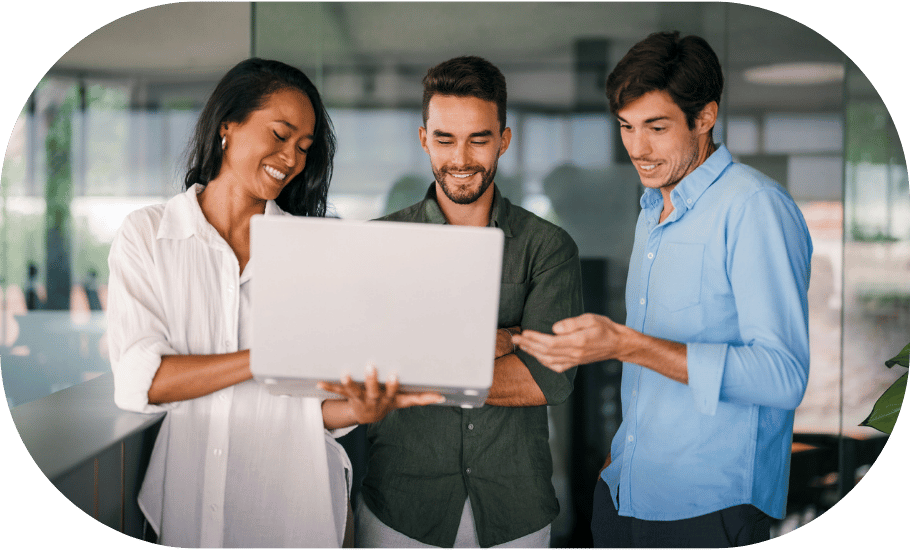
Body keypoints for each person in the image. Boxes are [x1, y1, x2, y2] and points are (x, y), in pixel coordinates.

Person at [107, 57, 441, 549]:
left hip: (296, 510)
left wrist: (359, 410)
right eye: (280, 135)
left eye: (304, 147)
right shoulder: (149, 235)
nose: (292, 157)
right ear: (228, 124)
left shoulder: (317, 249)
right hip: (189, 507)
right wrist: (264, 357)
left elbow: (310, 409)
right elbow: (143, 380)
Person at [513, 32, 813, 548]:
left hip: (709, 507)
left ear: (705, 117)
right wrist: (622, 454)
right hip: (626, 492)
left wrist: (627, 345)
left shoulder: (753, 207)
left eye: (656, 127)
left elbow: (782, 376)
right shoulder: (653, 210)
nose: (637, 148)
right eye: (626, 127)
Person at [342, 55, 583, 550]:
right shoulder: (378, 244)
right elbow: (362, 362)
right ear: (424, 138)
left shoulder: (548, 247)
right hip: (402, 507)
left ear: (504, 140)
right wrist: (502, 342)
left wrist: (417, 363)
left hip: (515, 508)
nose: (461, 158)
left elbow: (547, 378)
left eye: (479, 139)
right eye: (446, 139)